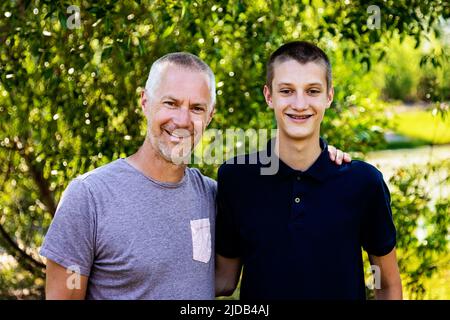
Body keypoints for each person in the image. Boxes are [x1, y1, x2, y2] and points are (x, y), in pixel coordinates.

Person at [40, 52, 349, 300]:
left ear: (210, 115)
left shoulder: (215, 196)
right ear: (144, 102)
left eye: (197, 108)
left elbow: (227, 278)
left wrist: (317, 155)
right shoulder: (90, 197)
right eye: (171, 103)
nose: (182, 120)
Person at [215, 41, 402, 300]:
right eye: (287, 91)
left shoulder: (363, 183)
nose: (300, 104)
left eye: (312, 90)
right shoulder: (236, 179)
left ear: (329, 96)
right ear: (269, 96)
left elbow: (387, 284)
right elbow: (223, 280)